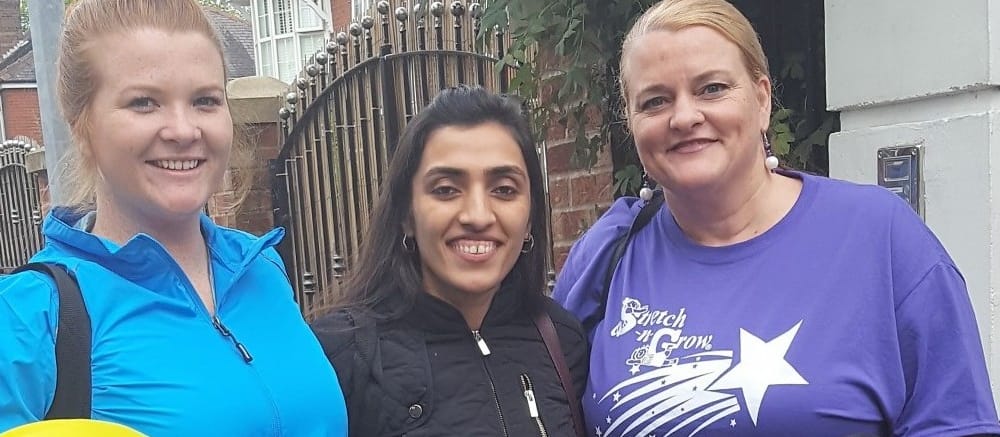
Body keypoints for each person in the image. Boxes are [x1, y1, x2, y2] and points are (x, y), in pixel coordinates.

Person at [552, 0, 1000, 436]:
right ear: (631, 122)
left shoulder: (881, 239)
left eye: (712, 88)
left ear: (762, 100)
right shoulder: (607, 255)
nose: (684, 116)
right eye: (655, 101)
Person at [0, 0, 347, 434]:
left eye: (205, 101)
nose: (184, 130)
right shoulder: (30, 316)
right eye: (144, 103)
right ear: (81, 125)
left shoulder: (260, 266)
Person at [311, 85, 589, 437]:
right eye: (446, 190)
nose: (477, 215)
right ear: (407, 215)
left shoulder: (562, 341)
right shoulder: (341, 358)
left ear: (530, 217)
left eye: (504, 189)